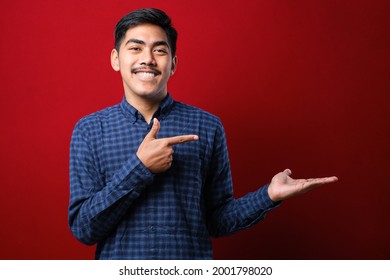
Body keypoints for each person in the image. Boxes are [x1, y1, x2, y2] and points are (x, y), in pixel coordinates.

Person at [68, 8, 338, 260]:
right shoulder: (90, 130)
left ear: (173, 64)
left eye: (159, 50)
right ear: (116, 59)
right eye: (135, 48)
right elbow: (84, 229)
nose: (147, 59)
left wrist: (269, 195)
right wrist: (139, 168)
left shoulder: (207, 126)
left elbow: (217, 220)